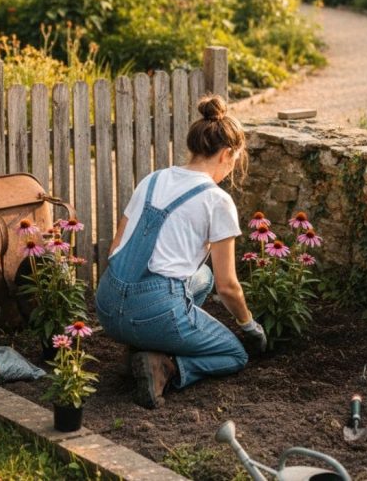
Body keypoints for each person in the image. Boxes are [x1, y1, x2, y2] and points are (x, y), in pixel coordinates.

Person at [95, 94, 267, 409]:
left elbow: (114, 248)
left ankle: (141, 346)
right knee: (234, 354)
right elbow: (228, 286)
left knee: (201, 276)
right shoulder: (217, 201)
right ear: (226, 154)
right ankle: (167, 367)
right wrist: (249, 325)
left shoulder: (153, 179)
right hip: (151, 313)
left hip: (106, 305)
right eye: (234, 161)